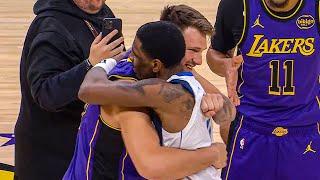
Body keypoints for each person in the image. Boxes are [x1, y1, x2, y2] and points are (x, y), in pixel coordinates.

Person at [65, 21, 235, 179]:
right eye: (192, 50)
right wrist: (212, 153)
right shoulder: (139, 90)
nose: (131, 58)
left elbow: (228, 111)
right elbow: (151, 165)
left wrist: (218, 105)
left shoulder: (173, 83)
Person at [207, 0, 320, 179]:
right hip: (250, 127)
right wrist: (225, 66)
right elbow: (214, 52)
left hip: (305, 129)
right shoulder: (236, 5)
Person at [14, 0, 124, 179]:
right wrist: (90, 65)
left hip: (75, 150)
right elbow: (46, 93)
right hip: (48, 160)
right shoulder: (51, 29)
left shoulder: (99, 13)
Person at [160, 4, 231, 143]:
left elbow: (227, 114)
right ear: (169, 43)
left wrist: (216, 103)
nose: (199, 61)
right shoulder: (140, 85)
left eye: (201, 51)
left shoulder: (188, 75)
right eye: (193, 50)